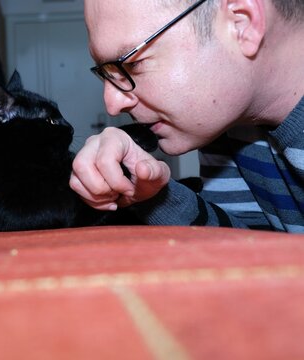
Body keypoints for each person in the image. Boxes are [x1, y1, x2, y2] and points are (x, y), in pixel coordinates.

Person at [70, 0, 304, 232]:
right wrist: (151, 195)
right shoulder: (229, 120)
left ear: (242, 24)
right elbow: (250, 250)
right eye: (106, 74)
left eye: (133, 64)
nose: (112, 104)